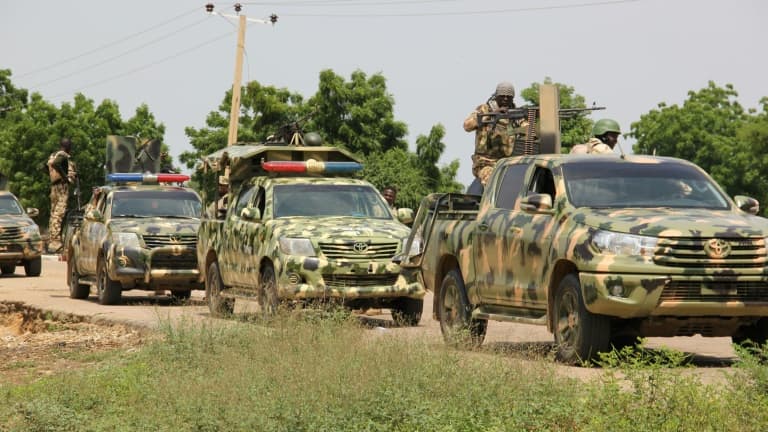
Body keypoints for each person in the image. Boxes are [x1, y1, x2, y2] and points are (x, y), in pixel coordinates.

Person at [463, 81, 527, 187]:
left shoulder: (516, 114)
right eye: (502, 96)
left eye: (509, 97)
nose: (505, 99)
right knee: (491, 181)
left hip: (508, 163)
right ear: (496, 96)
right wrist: (491, 115)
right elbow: (467, 125)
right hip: (484, 163)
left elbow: (529, 131)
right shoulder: (484, 109)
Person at [46, 137, 77, 253]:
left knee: (53, 213)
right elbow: (56, 164)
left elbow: (46, 166)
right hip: (61, 187)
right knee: (59, 214)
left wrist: (51, 176)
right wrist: (65, 177)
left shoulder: (53, 154)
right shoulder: (62, 156)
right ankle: (55, 242)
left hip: (53, 186)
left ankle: (52, 240)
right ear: (68, 147)